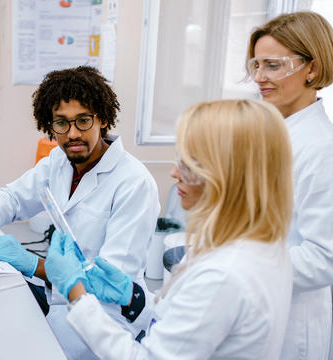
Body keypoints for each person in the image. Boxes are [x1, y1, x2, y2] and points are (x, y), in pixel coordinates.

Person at [44, 99, 294, 359]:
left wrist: (76, 294)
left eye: (189, 164)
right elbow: (183, 321)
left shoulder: (223, 275)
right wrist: (133, 299)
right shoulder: (255, 245)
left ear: (230, 174)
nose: (174, 172)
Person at [0, 66, 160, 359]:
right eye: (61, 123)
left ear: (104, 119)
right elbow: (13, 197)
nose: (72, 134)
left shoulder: (134, 184)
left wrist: (32, 264)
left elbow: (106, 280)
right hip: (58, 305)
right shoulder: (58, 161)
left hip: (102, 325)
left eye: (83, 120)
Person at [246, 11, 333, 359]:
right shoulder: (270, 132)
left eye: (273, 66)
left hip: (292, 324)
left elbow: (323, 257)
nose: (259, 78)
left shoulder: (321, 149)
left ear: (311, 69)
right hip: (256, 309)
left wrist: (242, 266)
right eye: (256, 65)